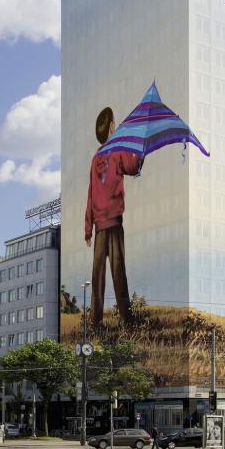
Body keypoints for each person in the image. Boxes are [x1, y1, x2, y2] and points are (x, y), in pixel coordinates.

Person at [85, 106, 142, 326]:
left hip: (99, 225)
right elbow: (132, 167)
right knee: (118, 271)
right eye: (114, 123)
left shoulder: (94, 158)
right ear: (111, 127)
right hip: (114, 222)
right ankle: (127, 319)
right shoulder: (119, 149)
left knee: (97, 274)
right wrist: (138, 148)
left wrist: (87, 228)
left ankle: (95, 322)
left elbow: (90, 193)